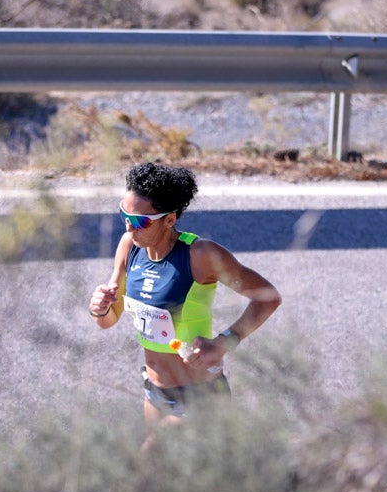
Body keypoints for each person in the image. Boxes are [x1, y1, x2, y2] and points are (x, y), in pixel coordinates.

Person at [88, 162, 282, 431]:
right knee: (173, 473)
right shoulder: (129, 246)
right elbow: (109, 319)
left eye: (140, 221)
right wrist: (100, 308)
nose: (129, 228)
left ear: (169, 219)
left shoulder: (200, 255)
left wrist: (225, 342)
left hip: (198, 396)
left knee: (148, 462)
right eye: (125, 215)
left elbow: (267, 297)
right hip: (155, 391)